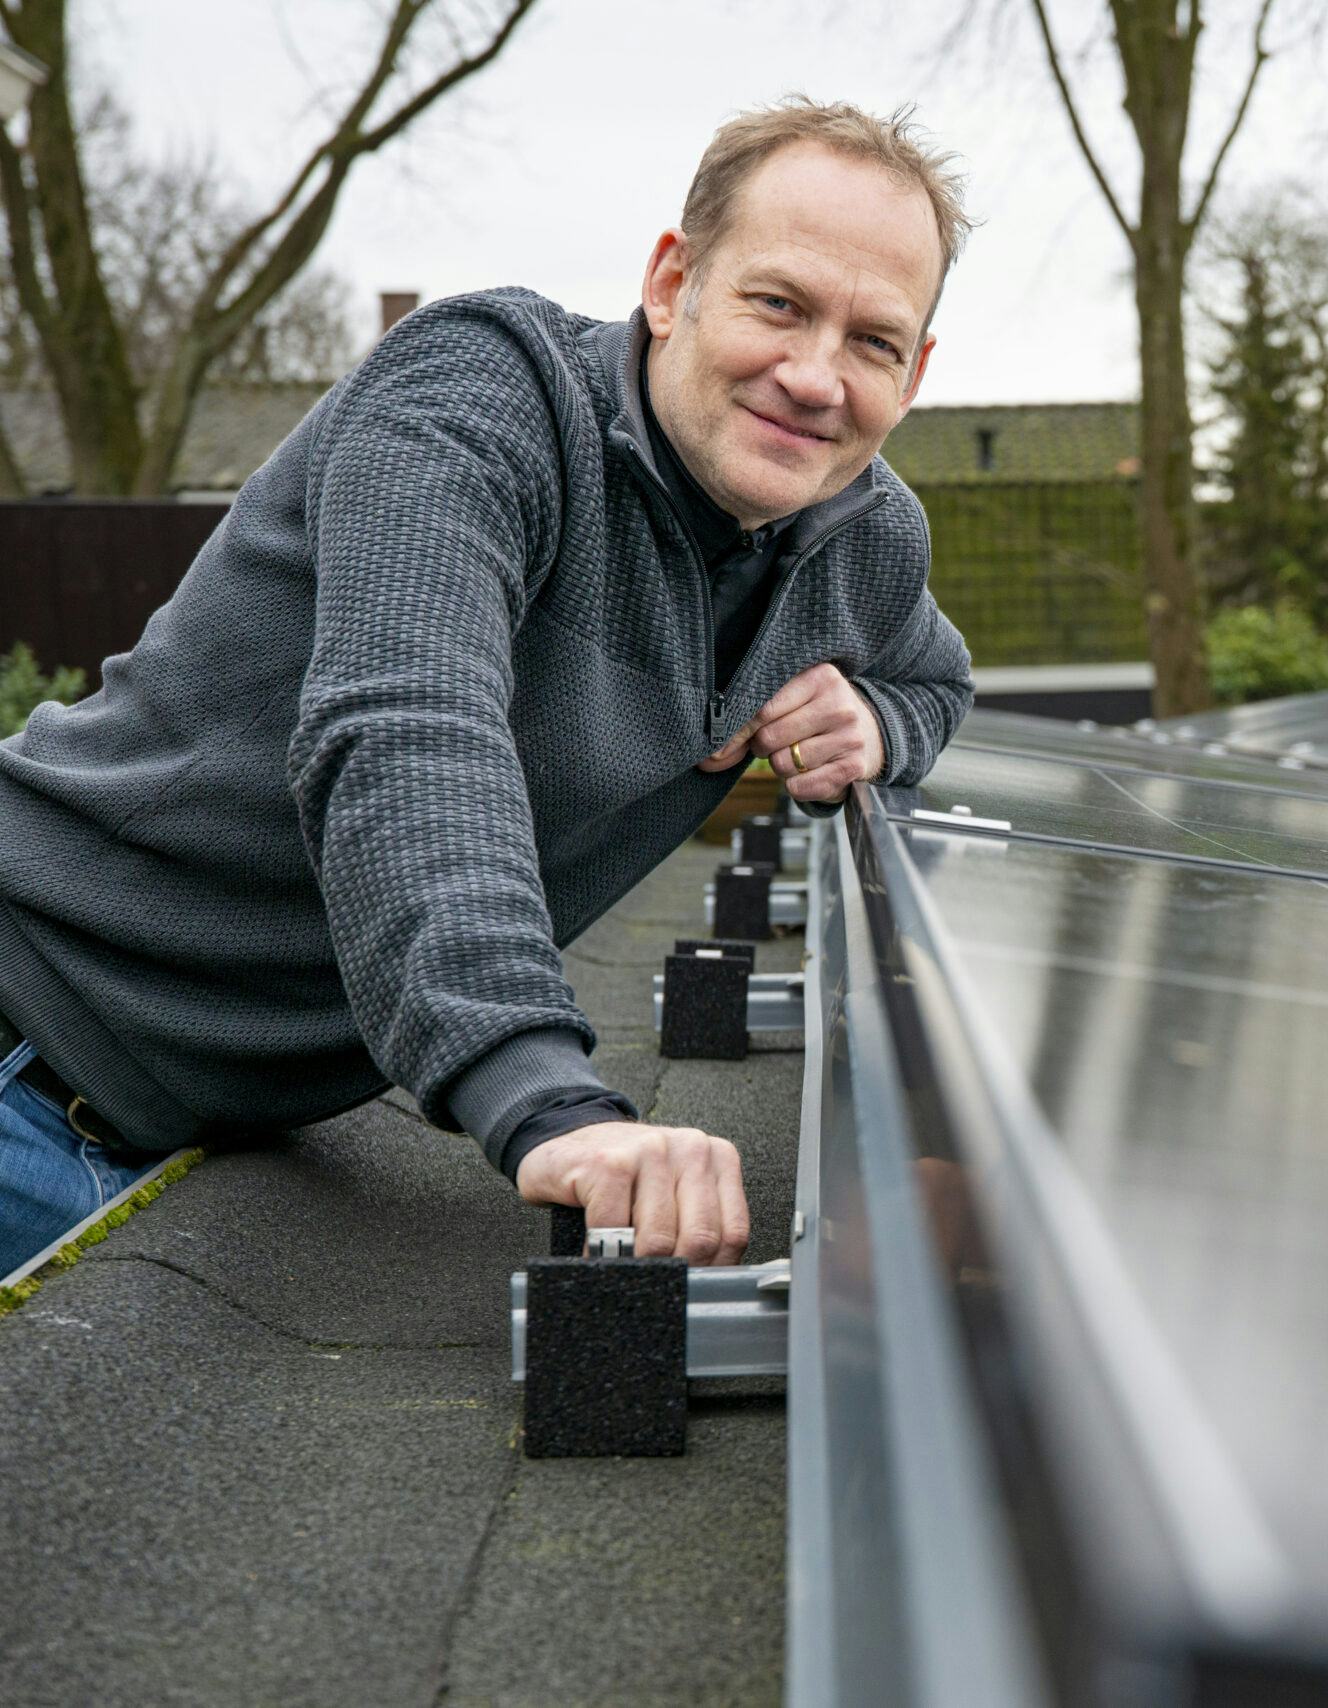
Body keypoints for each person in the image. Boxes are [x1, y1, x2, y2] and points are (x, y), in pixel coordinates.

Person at [0, 100, 974, 1276]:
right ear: (673, 285)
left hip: (210, 1146)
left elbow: (935, 674)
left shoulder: (862, 542)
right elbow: (410, 728)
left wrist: (875, 719)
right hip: (29, 1051)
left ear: (913, 376)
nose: (816, 376)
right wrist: (542, 1093)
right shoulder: (480, 395)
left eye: (873, 341)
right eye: (779, 303)